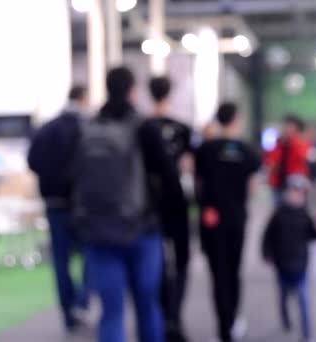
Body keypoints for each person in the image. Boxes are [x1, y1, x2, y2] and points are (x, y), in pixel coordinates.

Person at [72, 67, 186, 342]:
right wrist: (176, 226)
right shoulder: (143, 127)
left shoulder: (88, 129)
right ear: (133, 90)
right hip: (142, 230)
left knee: (111, 313)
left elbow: (71, 178)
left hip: (99, 232)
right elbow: (170, 178)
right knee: (148, 307)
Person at [195, 103, 261, 342]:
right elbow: (252, 188)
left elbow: (198, 184)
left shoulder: (205, 150)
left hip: (212, 219)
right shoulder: (248, 152)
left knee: (218, 273)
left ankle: (223, 327)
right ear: (237, 119)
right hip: (236, 219)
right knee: (233, 271)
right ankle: (232, 322)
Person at [27, 85, 90, 333]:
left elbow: (32, 161)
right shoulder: (85, 129)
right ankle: (81, 302)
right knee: (92, 256)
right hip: (81, 206)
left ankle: (69, 313)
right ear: (82, 99)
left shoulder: (46, 130)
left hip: (54, 205)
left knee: (61, 262)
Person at [147, 76, 192, 342]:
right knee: (181, 261)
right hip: (175, 202)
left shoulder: (144, 128)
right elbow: (188, 168)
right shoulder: (182, 129)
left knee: (159, 262)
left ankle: (165, 315)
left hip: (153, 204)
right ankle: (173, 316)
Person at [262, 175, 316, 342]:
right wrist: (267, 253)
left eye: (299, 194)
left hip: (300, 264)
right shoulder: (279, 214)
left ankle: (306, 331)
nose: (296, 197)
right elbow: (267, 236)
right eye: (293, 193)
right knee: (283, 295)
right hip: (282, 263)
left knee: (303, 298)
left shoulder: (305, 215)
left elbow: (314, 234)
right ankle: (285, 319)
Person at [265, 115, 310, 204]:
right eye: (286, 127)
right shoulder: (277, 144)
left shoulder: (300, 144)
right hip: (278, 183)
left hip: (294, 185)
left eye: (291, 128)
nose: (287, 130)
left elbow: (302, 159)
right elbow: (270, 163)